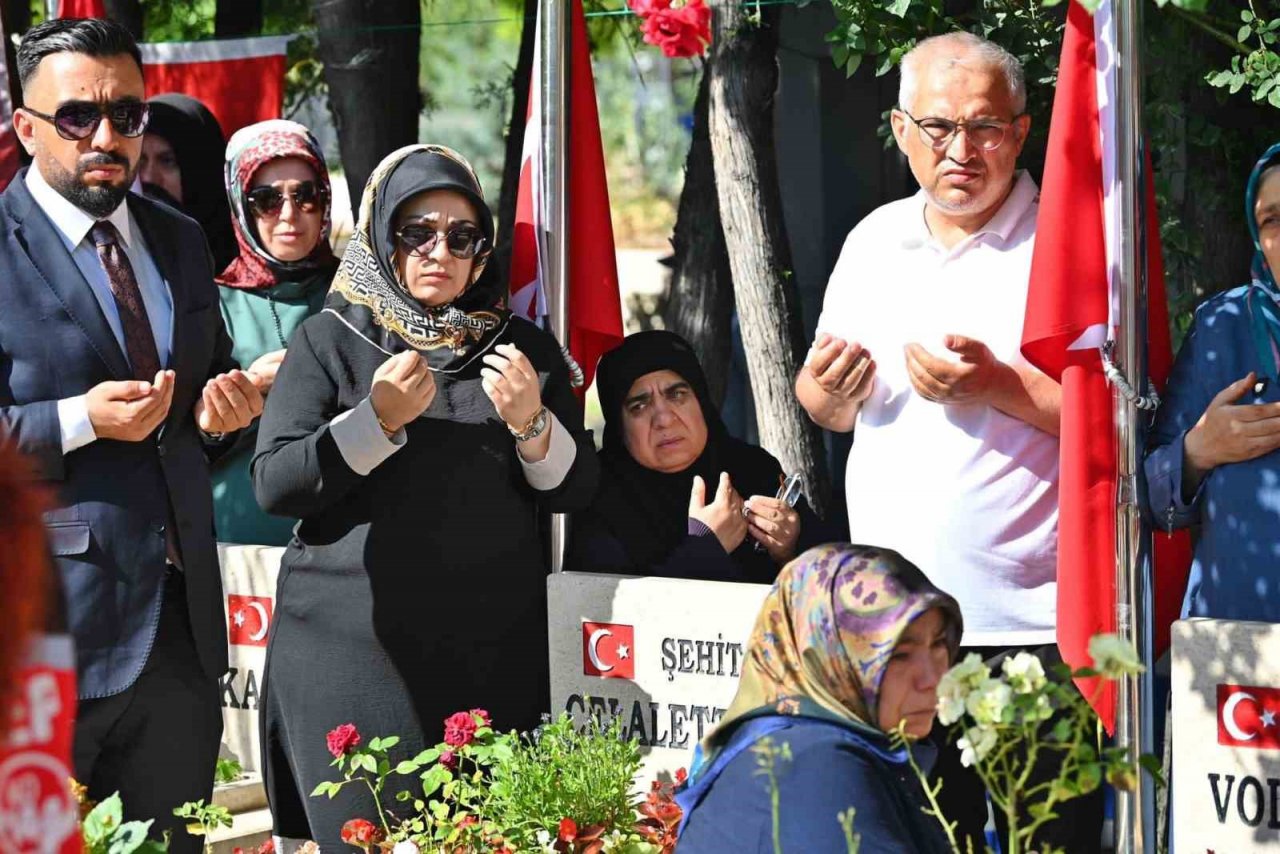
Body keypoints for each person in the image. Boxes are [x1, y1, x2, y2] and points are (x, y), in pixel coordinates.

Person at [792, 31, 1095, 851]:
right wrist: (826, 392)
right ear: (899, 130)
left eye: (984, 128)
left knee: (1047, 840)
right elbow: (823, 405)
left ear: (1022, 130)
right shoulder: (872, 240)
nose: (960, 150)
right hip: (889, 628)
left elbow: (1118, 424)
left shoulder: (1069, 245)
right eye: (936, 128)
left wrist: (997, 386)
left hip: (1028, 629)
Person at [251, 144, 598, 850]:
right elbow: (277, 482)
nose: (440, 251)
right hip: (353, 658)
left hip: (491, 662)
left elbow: (575, 489)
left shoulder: (519, 348)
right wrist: (374, 421)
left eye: (462, 237)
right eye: (417, 233)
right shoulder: (333, 339)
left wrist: (532, 421)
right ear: (384, 237)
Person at [0, 18, 262, 850]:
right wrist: (80, 422)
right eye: (79, 116)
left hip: (181, 635)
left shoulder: (180, 241)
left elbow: (196, 417)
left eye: (128, 114)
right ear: (25, 125)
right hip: (45, 638)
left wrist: (226, 412)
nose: (107, 136)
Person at [674, 544, 961, 853]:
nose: (932, 679)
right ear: (827, 656)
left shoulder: (816, 743)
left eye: (938, 644)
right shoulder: (816, 763)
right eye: (900, 654)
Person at [1145, 141, 1280, 621]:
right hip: (1241, 644)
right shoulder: (1223, 323)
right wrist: (1198, 451)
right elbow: (1149, 498)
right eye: (1272, 220)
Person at [568, 329, 818, 583]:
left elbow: (826, 583)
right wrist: (703, 549)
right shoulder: (597, 496)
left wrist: (791, 549)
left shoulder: (752, 468)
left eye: (677, 395)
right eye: (639, 406)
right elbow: (602, 610)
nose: (664, 419)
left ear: (701, 401)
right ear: (619, 427)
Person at [211, 120, 339, 545]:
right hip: (241, 539)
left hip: (345, 540)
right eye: (266, 199)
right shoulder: (210, 305)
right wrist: (247, 394)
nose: (289, 214)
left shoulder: (359, 297)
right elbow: (184, 441)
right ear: (241, 205)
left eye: (306, 196)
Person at [139, 93, 236, 271]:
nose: (148, 177)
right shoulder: (114, 258)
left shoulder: (243, 274)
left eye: (167, 161)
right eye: (140, 161)